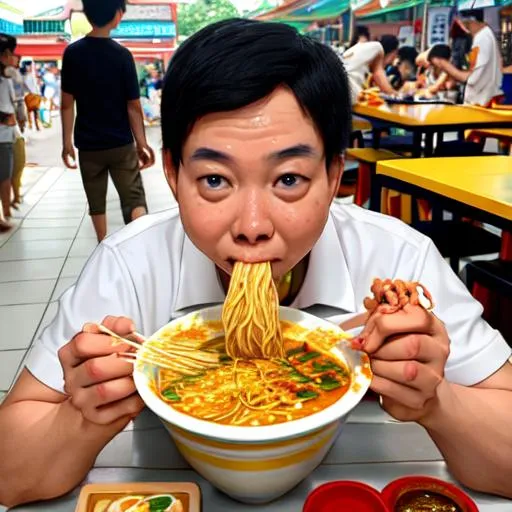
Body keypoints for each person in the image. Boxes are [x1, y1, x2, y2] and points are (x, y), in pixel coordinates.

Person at [1, 18, 512, 507]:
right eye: (215, 180)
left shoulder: (397, 258)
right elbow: (9, 474)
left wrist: (437, 400)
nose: (251, 225)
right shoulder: (129, 264)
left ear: (335, 176)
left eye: (289, 179)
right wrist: (83, 417)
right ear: (174, 174)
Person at [60, 0, 155, 242]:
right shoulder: (122, 55)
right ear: (117, 16)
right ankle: (139, 242)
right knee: (133, 196)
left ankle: (103, 244)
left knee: (96, 200)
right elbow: (133, 106)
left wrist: (66, 142)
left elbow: (67, 104)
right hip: (121, 143)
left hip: (88, 145)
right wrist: (142, 142)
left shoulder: (72, 53)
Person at [431, 9, 503, 106]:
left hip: (480, 106)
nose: (460, 24)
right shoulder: (482, 37)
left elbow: (470, 78)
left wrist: (444, 65)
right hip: (479, 103)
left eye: (460, 21)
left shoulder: (483, 39)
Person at [342, 34, 399, 104]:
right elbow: (387, 90)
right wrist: (399, 96)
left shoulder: (365, 51)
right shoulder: (378, 49)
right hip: (348, 92)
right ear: (393, 53)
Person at [0, 33, 17, 232]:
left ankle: (6, 212)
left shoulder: (7, 78)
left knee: (6, 175)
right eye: (12, 53)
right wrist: (4, 118)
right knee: (4, 176)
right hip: (2, 133)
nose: (14, 57)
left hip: (7, 134)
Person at [22, 61, 41, 131]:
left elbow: (35, 85)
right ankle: (33, 124)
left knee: (32, 110)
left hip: (32, 94)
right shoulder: (26, 76)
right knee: (32, 110)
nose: (30, 68)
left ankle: (35, 125)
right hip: (31, 94)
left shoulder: (30, 76)